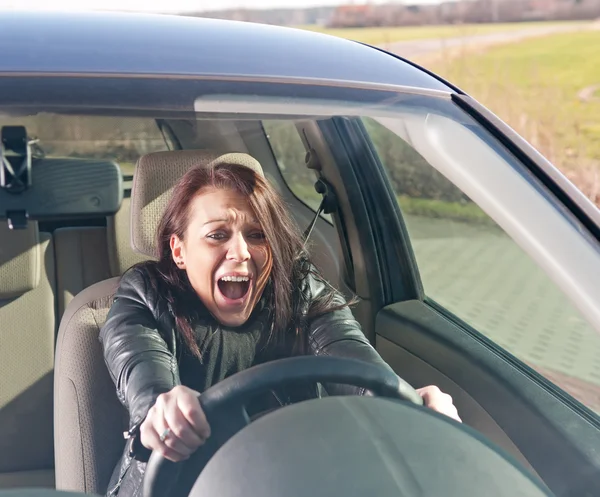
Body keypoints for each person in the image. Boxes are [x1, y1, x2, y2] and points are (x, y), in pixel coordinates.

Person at [99, 158, 460, 497]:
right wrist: (160, 411)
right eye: (217, 235)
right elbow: (142, 373)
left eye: (257, 235)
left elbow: (357, 364)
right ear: (178, 250)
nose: (240, 252)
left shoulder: (300, 290)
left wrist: (408, 406)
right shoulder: (143, 294)